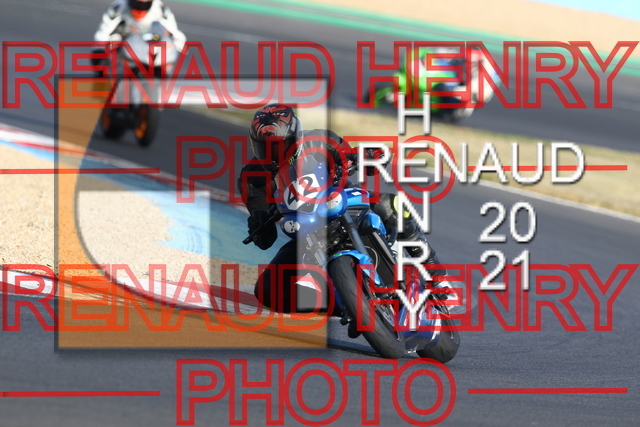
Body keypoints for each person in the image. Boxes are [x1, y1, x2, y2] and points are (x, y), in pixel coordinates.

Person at [239, 103, 450, 318]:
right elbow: (266, 239)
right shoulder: (251, 179)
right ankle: (342, 303)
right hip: (306, 232)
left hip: (343, 204)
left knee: (391, 204)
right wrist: (257, 224)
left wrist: (366, 155)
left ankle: (436, 275)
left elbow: (349, 155)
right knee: (267, 291)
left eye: (279, 146)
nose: (272, 155)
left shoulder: (319, 140)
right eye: (264, 148)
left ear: (295, 137)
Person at [93, 0, 186, 58]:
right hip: (123, 42)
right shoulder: (118, 7)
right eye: (137, 3)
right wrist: (107, 43)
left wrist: (176, 44)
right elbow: (103, 32)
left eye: (144, 4)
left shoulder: (160, 9)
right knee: (99, 52)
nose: (140, 10)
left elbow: (174, 32)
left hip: (149, 43)